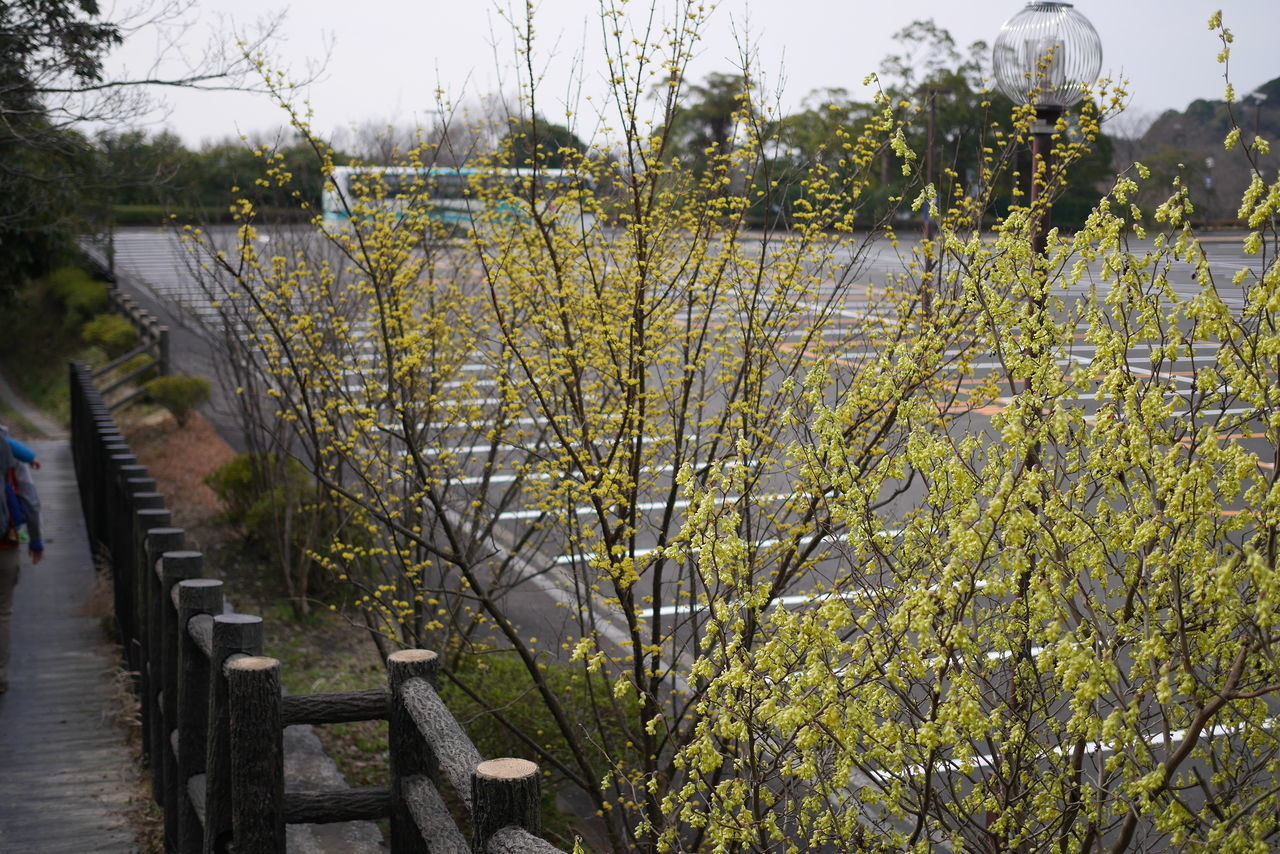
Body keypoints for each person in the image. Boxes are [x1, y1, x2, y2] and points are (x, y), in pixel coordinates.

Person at [0, 427, 43, 693]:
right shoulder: (8, 448)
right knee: (3, 612)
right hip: (5, 543)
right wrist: (35, 541)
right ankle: (0, 674)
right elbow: (30, 501)